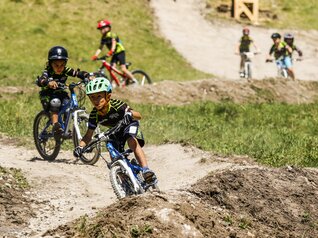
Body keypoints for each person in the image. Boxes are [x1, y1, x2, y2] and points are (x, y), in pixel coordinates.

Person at [73, 77, 157, 184]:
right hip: (114, 131)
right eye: (92, 97)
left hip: (128, 124)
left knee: (131, 140)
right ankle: (125, 184)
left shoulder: (117, 105)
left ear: (108, 96)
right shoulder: (94, 115)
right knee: (113, 155)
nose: (96, 100)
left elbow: (138, 115)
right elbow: (88, 136)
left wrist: (129, 114)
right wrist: (80, 147)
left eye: (99, 96)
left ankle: (146, 170)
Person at [36, 46, 88, 141]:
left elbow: (77, 73)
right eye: (56, 65)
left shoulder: (66, 70)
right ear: (50, 63)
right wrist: (48, 83)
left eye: (62, 65)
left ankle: (64, 127)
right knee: (55, 103)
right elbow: (41, 80)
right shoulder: (47, 71)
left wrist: (87, 76)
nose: (59, 68)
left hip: (61, 93)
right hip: (47, 95)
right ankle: (56, 126)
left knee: (69, 107)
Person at [91, 19, 137, 85]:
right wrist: (95, 55)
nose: (102, 30)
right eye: (101, 29)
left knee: (123, 69)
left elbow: (114, 43)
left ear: (108, 28)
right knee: (111, 69)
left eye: (103, 28)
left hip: (120, 52)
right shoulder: (103, 38)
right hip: (114, 54)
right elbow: (100, 47)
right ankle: (112, 84)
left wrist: (111, 51)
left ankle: (134, 80)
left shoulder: (111, 34)